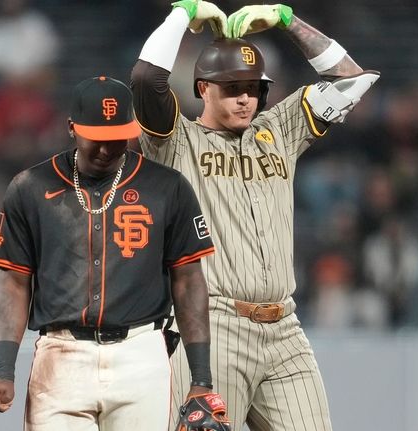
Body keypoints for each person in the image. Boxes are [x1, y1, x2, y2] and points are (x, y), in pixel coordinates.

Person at [130, 1, 380, 429]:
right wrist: (181, 15)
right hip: (213, 326)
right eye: (232, 87)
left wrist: (287, 21)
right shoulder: (176, 141)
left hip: (285, 328)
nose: (246, 97)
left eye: (253, 87)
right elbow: (146, 78)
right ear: (203, 87)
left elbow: (351, 80)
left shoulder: (278, 129)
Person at [0, 75, 227, 430]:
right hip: (61, 356)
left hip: (141, 352)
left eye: (116, 138)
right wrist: (3, 370)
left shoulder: (167, 187)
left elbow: (189, 281)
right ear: (71, 128)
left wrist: (201, 378)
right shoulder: (30, 188)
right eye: (96, 138)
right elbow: (13, 283)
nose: (106, 149)